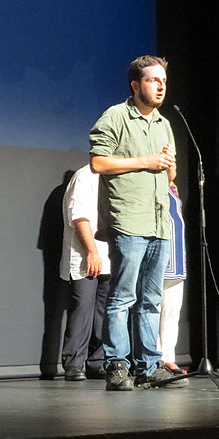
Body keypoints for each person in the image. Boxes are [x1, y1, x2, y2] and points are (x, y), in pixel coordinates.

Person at [89, 55, 186, 390]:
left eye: (163, 81)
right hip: (129, 219)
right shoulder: (115, 116)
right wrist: (147, 160)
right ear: (135, 85)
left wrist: (169, 165)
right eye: (153, 80)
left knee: (151, 299)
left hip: (159, 221)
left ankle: (148, 366)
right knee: (122, 297)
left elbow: (169, 174)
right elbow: (99, 163)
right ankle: (117, 365)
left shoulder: (163, 124)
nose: (160, 86)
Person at [59, 164, 111, 381]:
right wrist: (92, 251)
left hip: (110, 255)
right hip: (86, 256)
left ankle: (96, 362)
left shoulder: (114, 176)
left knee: (103, 312)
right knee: (82, 309)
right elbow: (80, 217)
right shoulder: (84, 177)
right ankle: (74, 363)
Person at [158, 182, 187, 375]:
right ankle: (156, 359)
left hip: (176, 260)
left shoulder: (173, 188)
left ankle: (169, 357)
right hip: (159, 257)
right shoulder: (151, 182)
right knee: (153, 310)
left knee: (172, 310)